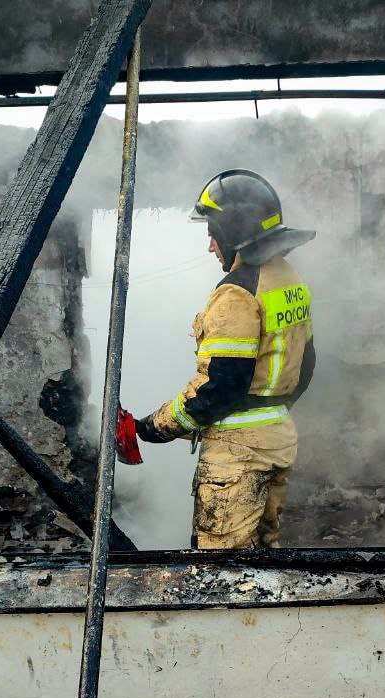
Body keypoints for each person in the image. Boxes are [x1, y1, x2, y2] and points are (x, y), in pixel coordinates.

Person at [117, 170, 317, 549]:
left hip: (237, 457)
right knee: (263, 555)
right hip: (279, 440)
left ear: (233, 229)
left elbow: (217, 390)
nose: (211, 245)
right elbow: (306, 367)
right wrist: (267, 410)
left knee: (221, 570)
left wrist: (151, 428)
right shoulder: (289, 279)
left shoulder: (236, 294)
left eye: (213, 232)